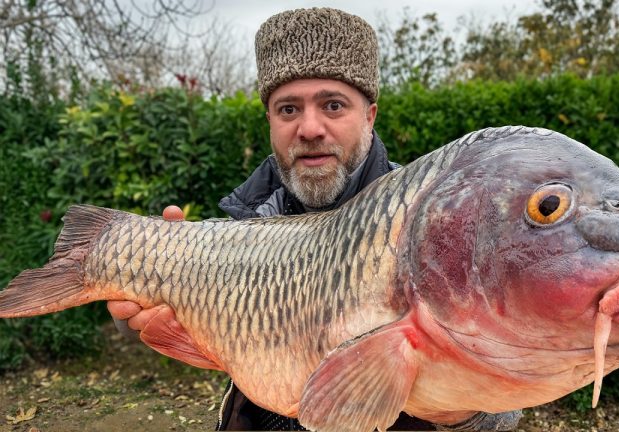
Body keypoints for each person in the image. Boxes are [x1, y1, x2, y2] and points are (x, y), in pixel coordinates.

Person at [107, 7, 521, 431]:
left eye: (333, 105)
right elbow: (176, 329)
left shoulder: (433, 222)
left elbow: (507, 409)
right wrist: (142, 297)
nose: (309, 128)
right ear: (269, 120)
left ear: (370, 116)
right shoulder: (244, 223)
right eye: (288, 109)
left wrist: (464, 412)